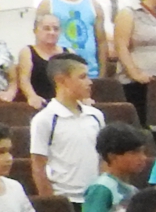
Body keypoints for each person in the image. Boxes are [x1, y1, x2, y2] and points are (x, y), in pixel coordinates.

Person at [28, 53, 105, 201]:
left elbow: (103, 159)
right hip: (64, 198)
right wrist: (51, 202)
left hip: (93, 198)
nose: (89, 82)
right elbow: (38, 167)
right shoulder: (45, 119)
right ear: (61, 80)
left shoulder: (96, 115)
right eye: (82, 77)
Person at [36, 0, 106, 79]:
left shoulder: (93, 4)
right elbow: (40, 40)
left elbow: (101, 42)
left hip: (90, 73)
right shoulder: (48, 3)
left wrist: (102, 74)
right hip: (60, 74)